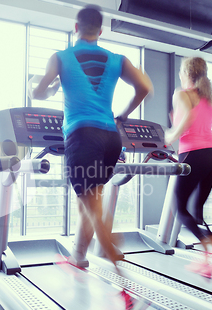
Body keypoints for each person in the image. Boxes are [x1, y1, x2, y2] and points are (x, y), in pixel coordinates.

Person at [29, 5, 153, 270]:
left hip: (82, 135)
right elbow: (145, 88)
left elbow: (37, 93)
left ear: (76, 28)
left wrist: (48, 90)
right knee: (89, 200)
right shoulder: (117, 59)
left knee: (90, 202)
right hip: (111, 138)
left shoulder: (61, 57)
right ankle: (79, 256)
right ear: (100, 31)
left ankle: (111, 250)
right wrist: (123, 115)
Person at [164, 57, 212, 278]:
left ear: (185, 73)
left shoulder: (181, 94)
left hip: (194, 155)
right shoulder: (208, 99)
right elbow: (206, 127)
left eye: (181, 71)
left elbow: (188, 120)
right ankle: (209, 260)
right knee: (197, 211)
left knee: (180, 209)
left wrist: (170, 135)